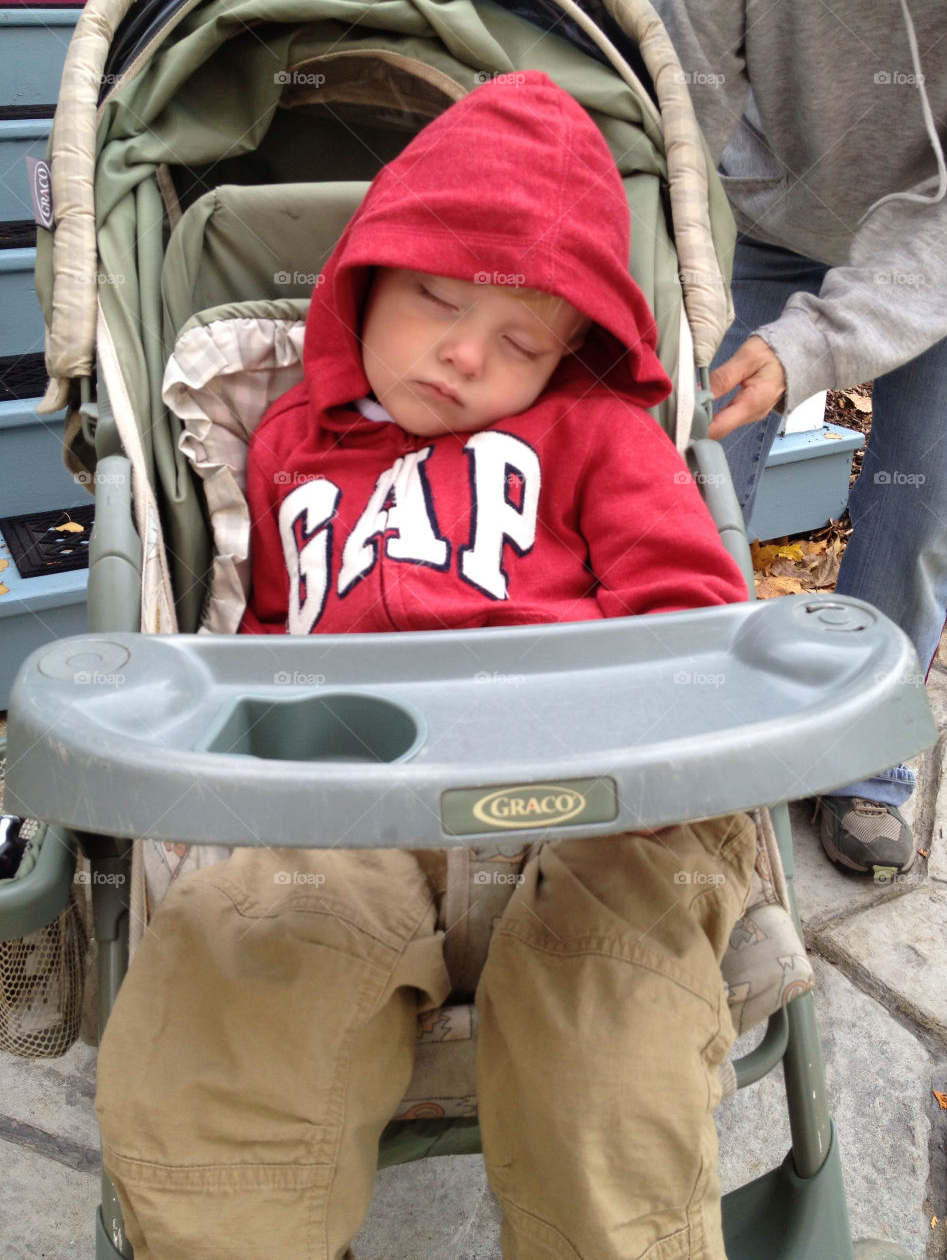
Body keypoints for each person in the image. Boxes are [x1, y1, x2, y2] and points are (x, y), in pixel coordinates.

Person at [95, 73, 756, 1260]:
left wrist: (674, 775)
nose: (461, 354)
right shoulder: (290, 442)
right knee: (227, 1023)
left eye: (517, 341)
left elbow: (693, 619)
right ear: (363, 281)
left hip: (590, 807)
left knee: (609, 1061)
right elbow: (266, 643)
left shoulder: (594, 434)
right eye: (435, 298)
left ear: (570, 353)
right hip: (345, 814)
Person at [647, 0, 947, 880]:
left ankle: (866, 759)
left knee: (923, 512)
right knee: (690, 481)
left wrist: (817, 345)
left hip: (939, 254)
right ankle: (690, 727)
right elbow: (679, 112)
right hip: (763, 218)